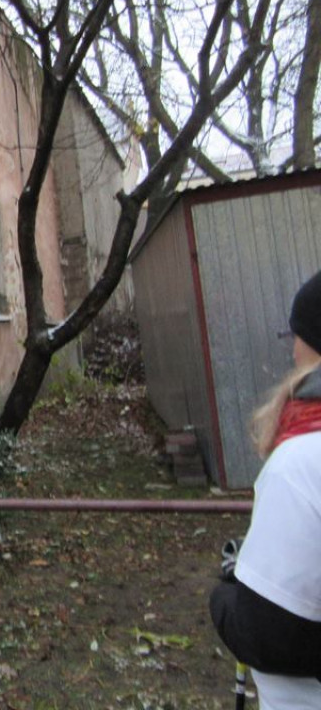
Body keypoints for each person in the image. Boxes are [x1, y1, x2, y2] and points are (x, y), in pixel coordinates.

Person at [210, 269, 321, 709]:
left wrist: (227, 598)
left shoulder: (300, 464)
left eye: (296, 337)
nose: (291, 350)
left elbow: (268, 633)